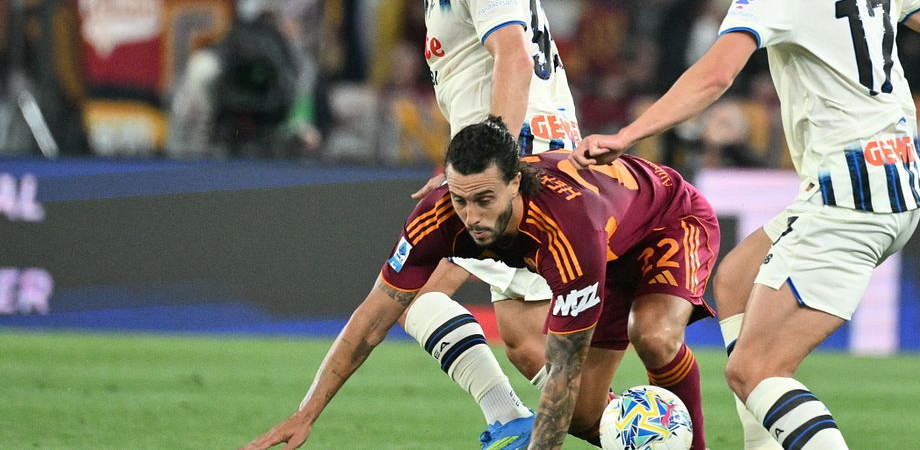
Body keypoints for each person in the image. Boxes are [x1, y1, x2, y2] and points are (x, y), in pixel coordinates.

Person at [572, 0, 920, 449]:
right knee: (733, 280)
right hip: (891, 180)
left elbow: (717, 73)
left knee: (753, 369)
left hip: (851, 195)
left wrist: (632, 132)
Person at [244, 117, 717, 450]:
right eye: (460, 199)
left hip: (668, 217)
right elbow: (372, 320)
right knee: (582, 416)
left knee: (653, 335)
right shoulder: (438, 218)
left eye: (484, 200)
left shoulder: (568, 231)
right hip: (610, 244)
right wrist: (306, 413)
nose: (471, 217)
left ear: (516, 183)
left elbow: (563, 368)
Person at [377, 0, 582, 447]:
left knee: (417, 295)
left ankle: (514, 424)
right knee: (523, 341)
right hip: (524, 155)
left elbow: (513, 56)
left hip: (520, 162)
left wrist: (489, 165)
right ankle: (629, 430)